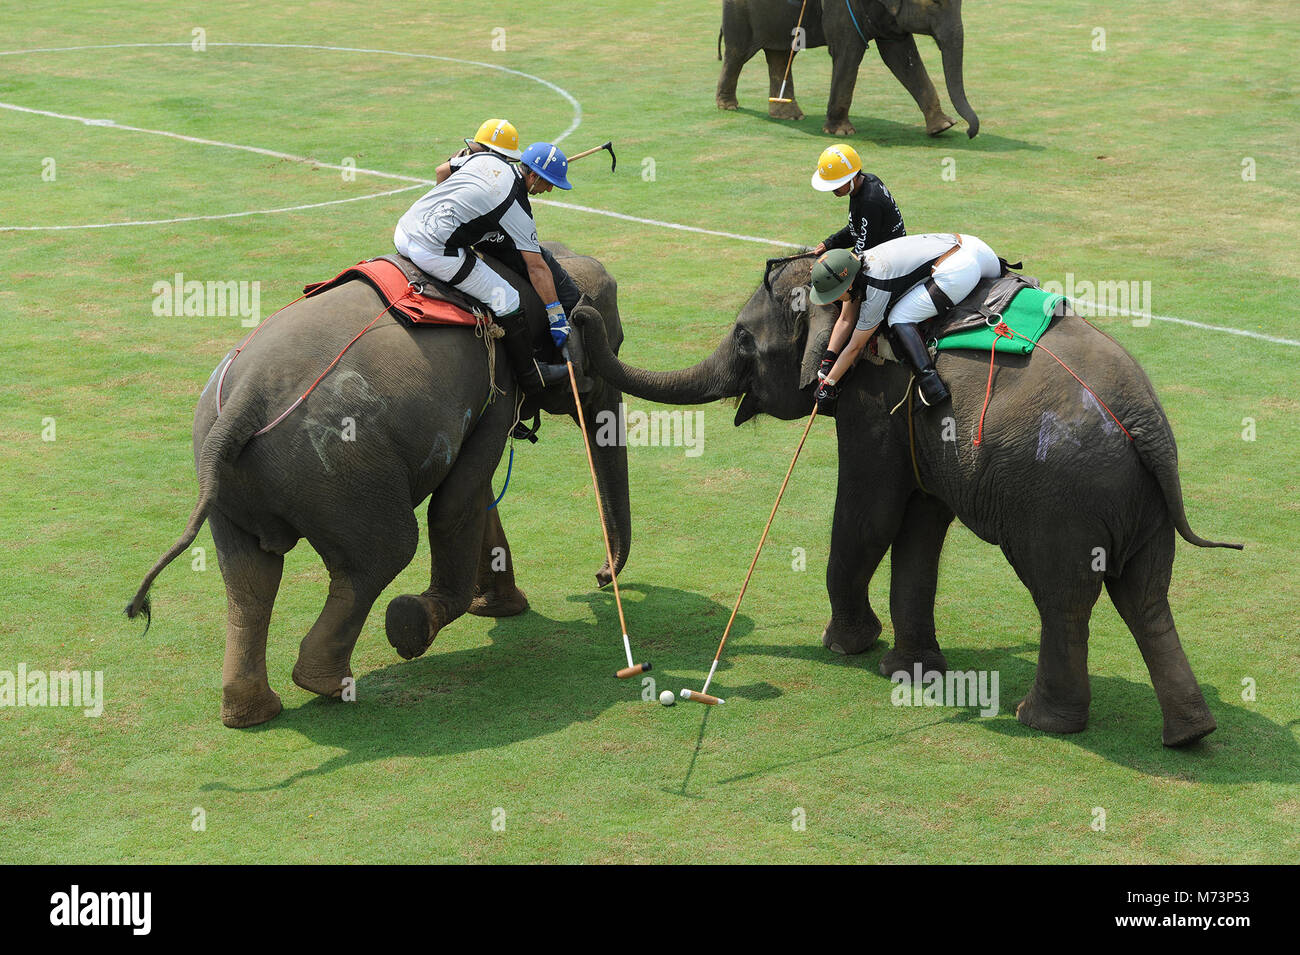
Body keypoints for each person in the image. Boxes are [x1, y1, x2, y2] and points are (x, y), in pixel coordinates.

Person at [393, 140, 574, 397]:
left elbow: (442, 171)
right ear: (533, 175)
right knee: (508, 298)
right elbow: (537, 267)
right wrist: (556, 315)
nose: (549, 190)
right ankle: (532, 376)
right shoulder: (517, 208)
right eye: (548, 183)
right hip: (432, 251)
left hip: (404, 230)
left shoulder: (488, 159)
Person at [809, 233, 1003, 411]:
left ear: (848, 283)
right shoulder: (858, 261)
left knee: (898, 317)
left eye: (834, 293)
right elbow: (845, 319)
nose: (833, 298)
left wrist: (830, 384)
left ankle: (931, 385)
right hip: (973, 246)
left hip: (959, 269)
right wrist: (828, 360)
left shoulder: (876, 287)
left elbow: (855, 346)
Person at [809, 143, 905, 257]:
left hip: (890, 258)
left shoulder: (870, 201)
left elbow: (866, 246)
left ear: (853, 177)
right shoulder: (866, 181)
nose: (833, 189)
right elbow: (856, 229)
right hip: (877, 249)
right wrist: (829, 243)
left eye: (837, 184)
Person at [434, 117, 523, 184]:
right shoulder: (462, 160)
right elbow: (441, 171)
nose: (504, 161)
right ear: (491, 152)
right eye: (503, 156)